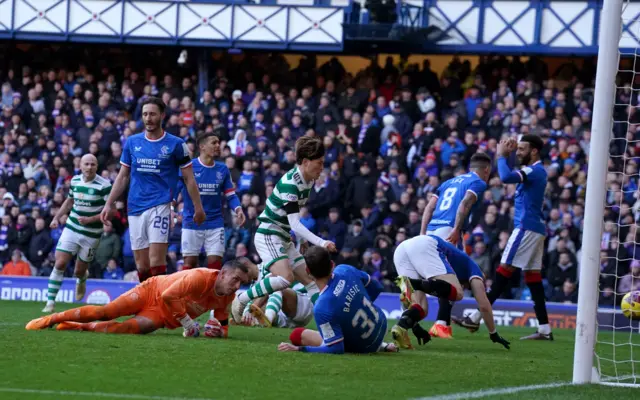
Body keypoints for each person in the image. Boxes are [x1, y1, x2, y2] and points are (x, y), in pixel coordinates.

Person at [454, 135, 553, 341]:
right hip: (535, 228)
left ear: (534, 151)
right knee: (532, 278)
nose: (518, 153)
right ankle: (544, 328)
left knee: (503, 272)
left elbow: (506, 178)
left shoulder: (533, 170)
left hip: (525, 227)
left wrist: (501, 157)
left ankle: (476, 316)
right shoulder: (536, 171)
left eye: (522, 149)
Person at [100, 97, 205, 283]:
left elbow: (189, 178)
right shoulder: (132, 142)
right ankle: (148, 304)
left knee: (156, 261)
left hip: (160, 205)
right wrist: (109, 203)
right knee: (142, 266)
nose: (148, 118)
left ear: (162, 116)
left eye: (152, 114)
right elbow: (123, 176)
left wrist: (198, 207)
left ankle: (158, 308)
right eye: (145, 114)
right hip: (135, 206)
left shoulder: (176, 144)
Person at [234, 137, 337, 318]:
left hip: (283, 236)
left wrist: (303, 240)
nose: (322, 168)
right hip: (269, 233)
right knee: (286, 278)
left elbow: (294, 217)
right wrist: (322, 242)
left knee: (310, 281)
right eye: (319, 163)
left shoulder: (309, 180)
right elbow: (295, 223)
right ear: (305, 162)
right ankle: (242, 298)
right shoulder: (291, 183)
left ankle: (327, 319)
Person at [26, 259, 250, 336]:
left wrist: (217, 333)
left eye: (241, 283)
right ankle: (52, 318)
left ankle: (77, 326)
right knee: (106, 312)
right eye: (235, 279)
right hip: (151, 291)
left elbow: (223, 325)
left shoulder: (226, 297)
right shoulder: (200, 277)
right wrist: (187, 322)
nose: (237, 286)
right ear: (222, 273)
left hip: (162, 315)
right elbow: (168, 294)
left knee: (123, 330)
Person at [391, 234, 510, 351]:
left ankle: (401, 327)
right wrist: (493, 333)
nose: (466, 287)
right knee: (458, 294)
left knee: (421, 307)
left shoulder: (458, 266)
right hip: (426, 244)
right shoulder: (476, 273)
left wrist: (415, 326)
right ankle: (414, 283)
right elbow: (484, 305)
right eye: (469, 287)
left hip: (402, 249)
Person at [419, 153, 492, 339]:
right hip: (449, 230)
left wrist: (422, 232)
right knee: (454, 277)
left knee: (444, 275)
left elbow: (429, 207)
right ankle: (441, 324)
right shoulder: (478, 183)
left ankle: (440, 322)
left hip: (431, 229)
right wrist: (457, 229)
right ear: (486, 170)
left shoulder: (448, 182)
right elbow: (464, 204)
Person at [277, 246, 397, 354]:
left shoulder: (321, 307)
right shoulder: (345, 270)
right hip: (381, 324)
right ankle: (383, 345)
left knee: (297, 335)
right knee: (300, 334)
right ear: (332, 264)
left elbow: (335, 349)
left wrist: (300, 349)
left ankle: (379, 346)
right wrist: (357, 303)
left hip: (365, 346)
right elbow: (376, 287)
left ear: (308, 272)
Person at [42, 154, 112, 313]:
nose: (89, 167)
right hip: (72, 228)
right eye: (86, 164)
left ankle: (82, 278)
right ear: (80, 166)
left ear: (96, 166)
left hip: (92, 234)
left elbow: (111, 211)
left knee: (78, 271)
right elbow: (69, 201)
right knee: (59, 263)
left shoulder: (105, 185)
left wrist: (92, 219)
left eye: (92, 164)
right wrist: (56, 218)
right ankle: (50, 303)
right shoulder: (75, 181)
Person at [177, 132, 243, 271]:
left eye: (218, 142)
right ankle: (189, 292)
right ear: (202, 146)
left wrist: (238, 209)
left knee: (215, 264)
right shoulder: (189, 167)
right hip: (192, 221)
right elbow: (175, 189)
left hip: (215, 222)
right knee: (189, 263)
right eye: (214, 143)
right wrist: (170, 210)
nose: (218, 146)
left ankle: (211, 293)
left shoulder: (223, 169)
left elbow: (231, 195)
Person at [232, 257, 313, 329]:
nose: (243, 280)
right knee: (252, 303)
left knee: (275, 285)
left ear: (246, 264)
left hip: (301, 306)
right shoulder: (253, 285)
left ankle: (268, 319)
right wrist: (245, 315)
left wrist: (253, 307)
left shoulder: (268, 265)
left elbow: (278, 281)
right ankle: (255, 321)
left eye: (242, 275)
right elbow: (250, 304)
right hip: (286, 320)